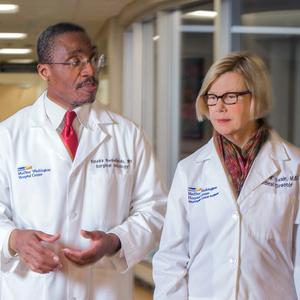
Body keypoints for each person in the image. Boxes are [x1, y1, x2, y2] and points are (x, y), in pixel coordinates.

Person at [0, 22, 166, 300]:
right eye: (75, 61)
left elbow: (154, 209)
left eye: (92, 59)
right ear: (45, 71)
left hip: (103, 289)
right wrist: (14, 239)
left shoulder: (127, 134)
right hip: (30, 290)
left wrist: (115, 241)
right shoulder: (8, 136)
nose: (89, 70)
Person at [153, 51, 300, 300]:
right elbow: (172, 258)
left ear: (257, 98)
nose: (219, 106)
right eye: (212, 97)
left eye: (231, 97)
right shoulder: (190, 169)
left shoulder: (294, 166)